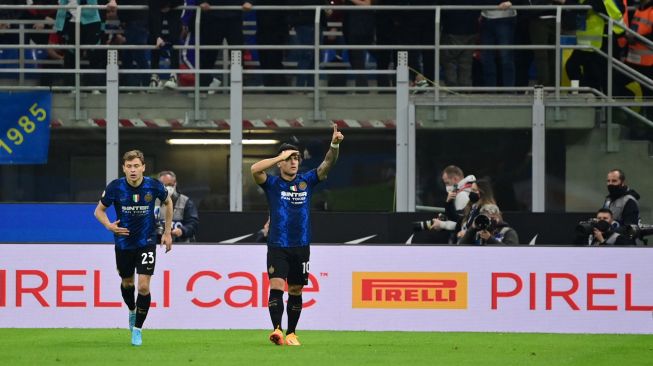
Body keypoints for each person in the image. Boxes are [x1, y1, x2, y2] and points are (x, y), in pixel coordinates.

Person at [250, 125, 344, 346]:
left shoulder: (307, 181)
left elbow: (328, 163)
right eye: (290, 158)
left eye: (297, 158)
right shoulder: (272, 183)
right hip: (277, 244)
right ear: (281, 162)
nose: (294, 162)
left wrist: (335, 145)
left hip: (300, 244)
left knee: (295, 289)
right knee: (276, 285)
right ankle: (277, 330)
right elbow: (255, 169)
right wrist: (279, 156)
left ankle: (292, 333)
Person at [93, 150, 173, 346]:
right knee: (128, 283)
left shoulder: (153, 186)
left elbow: (168, 202)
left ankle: (137, 329)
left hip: (146, 241)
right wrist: (109, 225)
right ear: (124, 168)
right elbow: (99, 211)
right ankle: (131, 309)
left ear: (143, 167)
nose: (133, 170)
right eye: (129, 166)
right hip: (123, 243)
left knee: (143, 286)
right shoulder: (115, 187)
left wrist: (167, 232)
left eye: (136, 166)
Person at [156, 170, 199, 242]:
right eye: (163, 185)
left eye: (170, 184)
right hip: (158, 244)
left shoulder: (186, 202)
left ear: (175, 184)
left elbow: (193, 224)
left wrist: (182, 230)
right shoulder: (153, 202)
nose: (167, 188)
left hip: (181, 245)